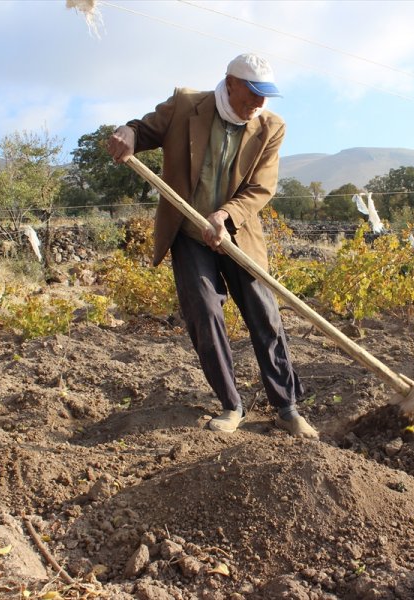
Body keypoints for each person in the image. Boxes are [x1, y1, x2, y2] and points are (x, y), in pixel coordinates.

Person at [107, 53, 318, 439]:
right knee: (203, 312)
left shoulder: (270, 127)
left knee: (265, 315)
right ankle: (231, 405)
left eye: (265, 95)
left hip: (238, 233)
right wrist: (128, 133)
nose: (258, 102)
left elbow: (261, 188)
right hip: (189, 235)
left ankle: (286, 407)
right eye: (252, 92)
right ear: (230, 83)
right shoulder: (186, 105)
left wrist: (225, 215)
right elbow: (142, 130)